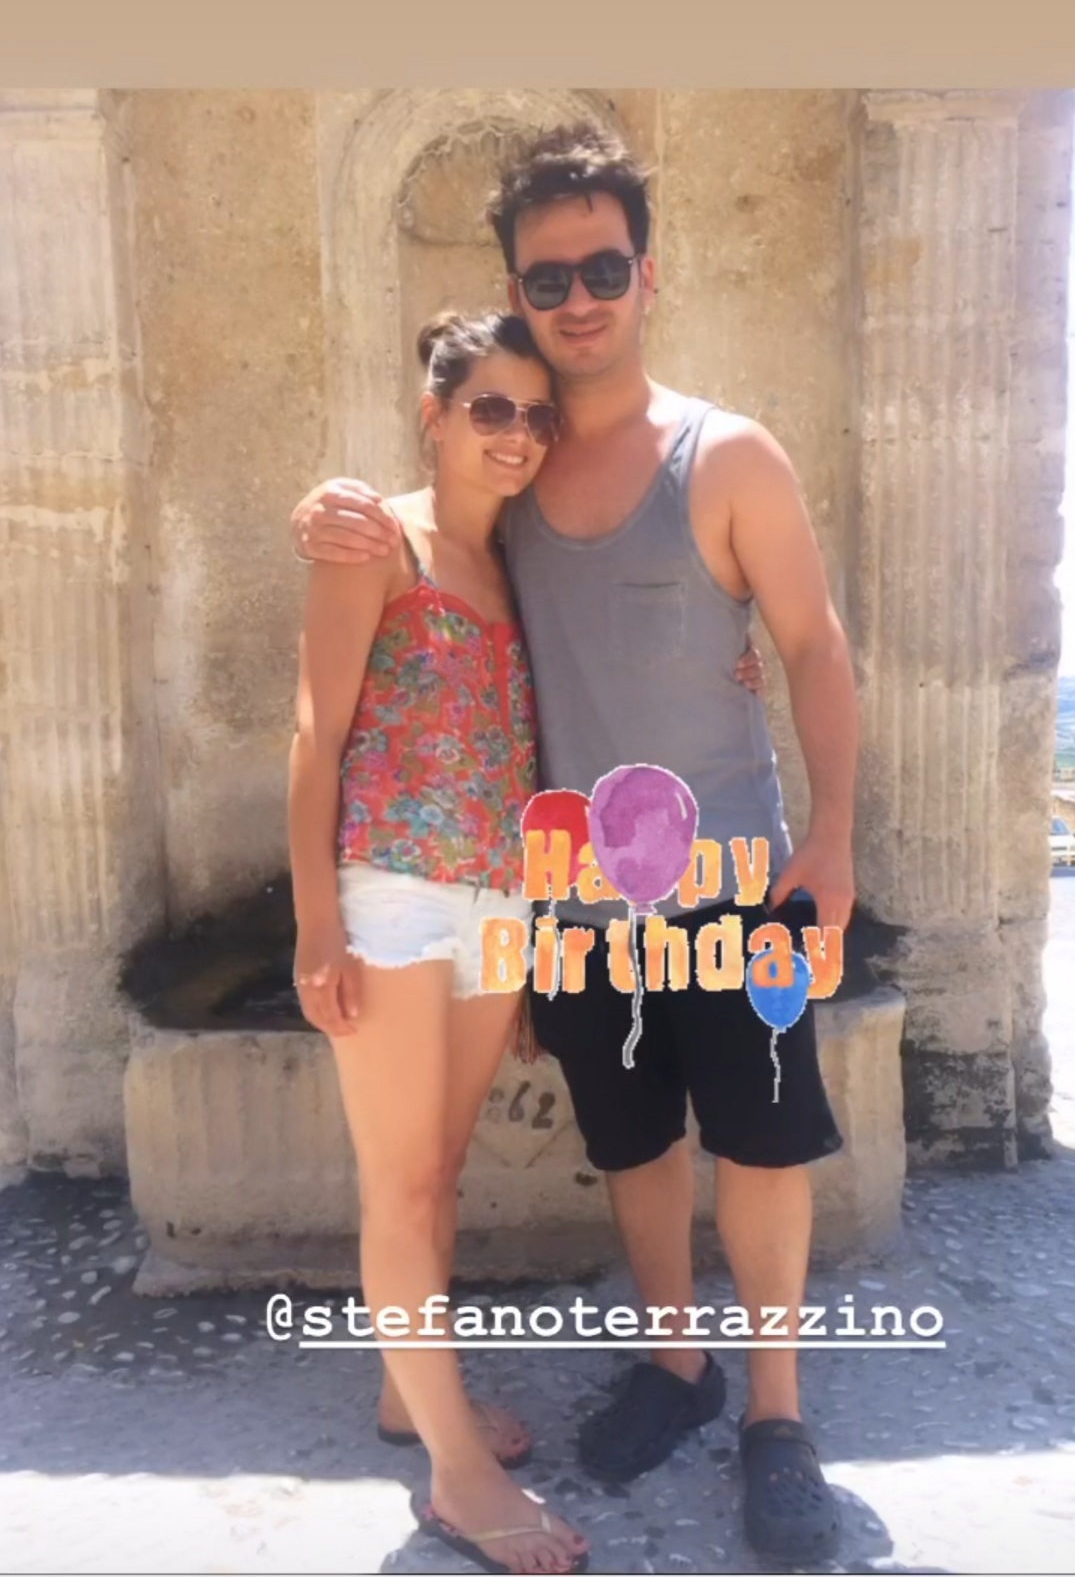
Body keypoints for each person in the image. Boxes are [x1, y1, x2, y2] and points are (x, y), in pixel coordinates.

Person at [289, 123, 859, 1567]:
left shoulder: (726, 454)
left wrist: (833, 842)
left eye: (604, 266)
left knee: (761, 1138)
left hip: (732, 880)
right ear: (515, 294)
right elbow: (408, 559)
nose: (580, 295)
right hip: (566, 899)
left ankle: (776, 1418)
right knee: (634, 1140)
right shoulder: (511, 483)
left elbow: (811, 645)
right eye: (548, 277)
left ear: (646, 274)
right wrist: (332, 507)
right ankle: (674, 1360)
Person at [288, 310, 590, 1576]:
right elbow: (316, 734)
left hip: (499, 906)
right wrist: (315, 921)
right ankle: (458, 1477)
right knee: (403, 1184)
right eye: (490, 409)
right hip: (393, 899)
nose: (516, 434)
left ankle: (405, 1393)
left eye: (536, 414)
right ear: (436, 415)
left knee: (443, 1166)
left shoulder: (520, 562)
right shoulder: (378, 540)